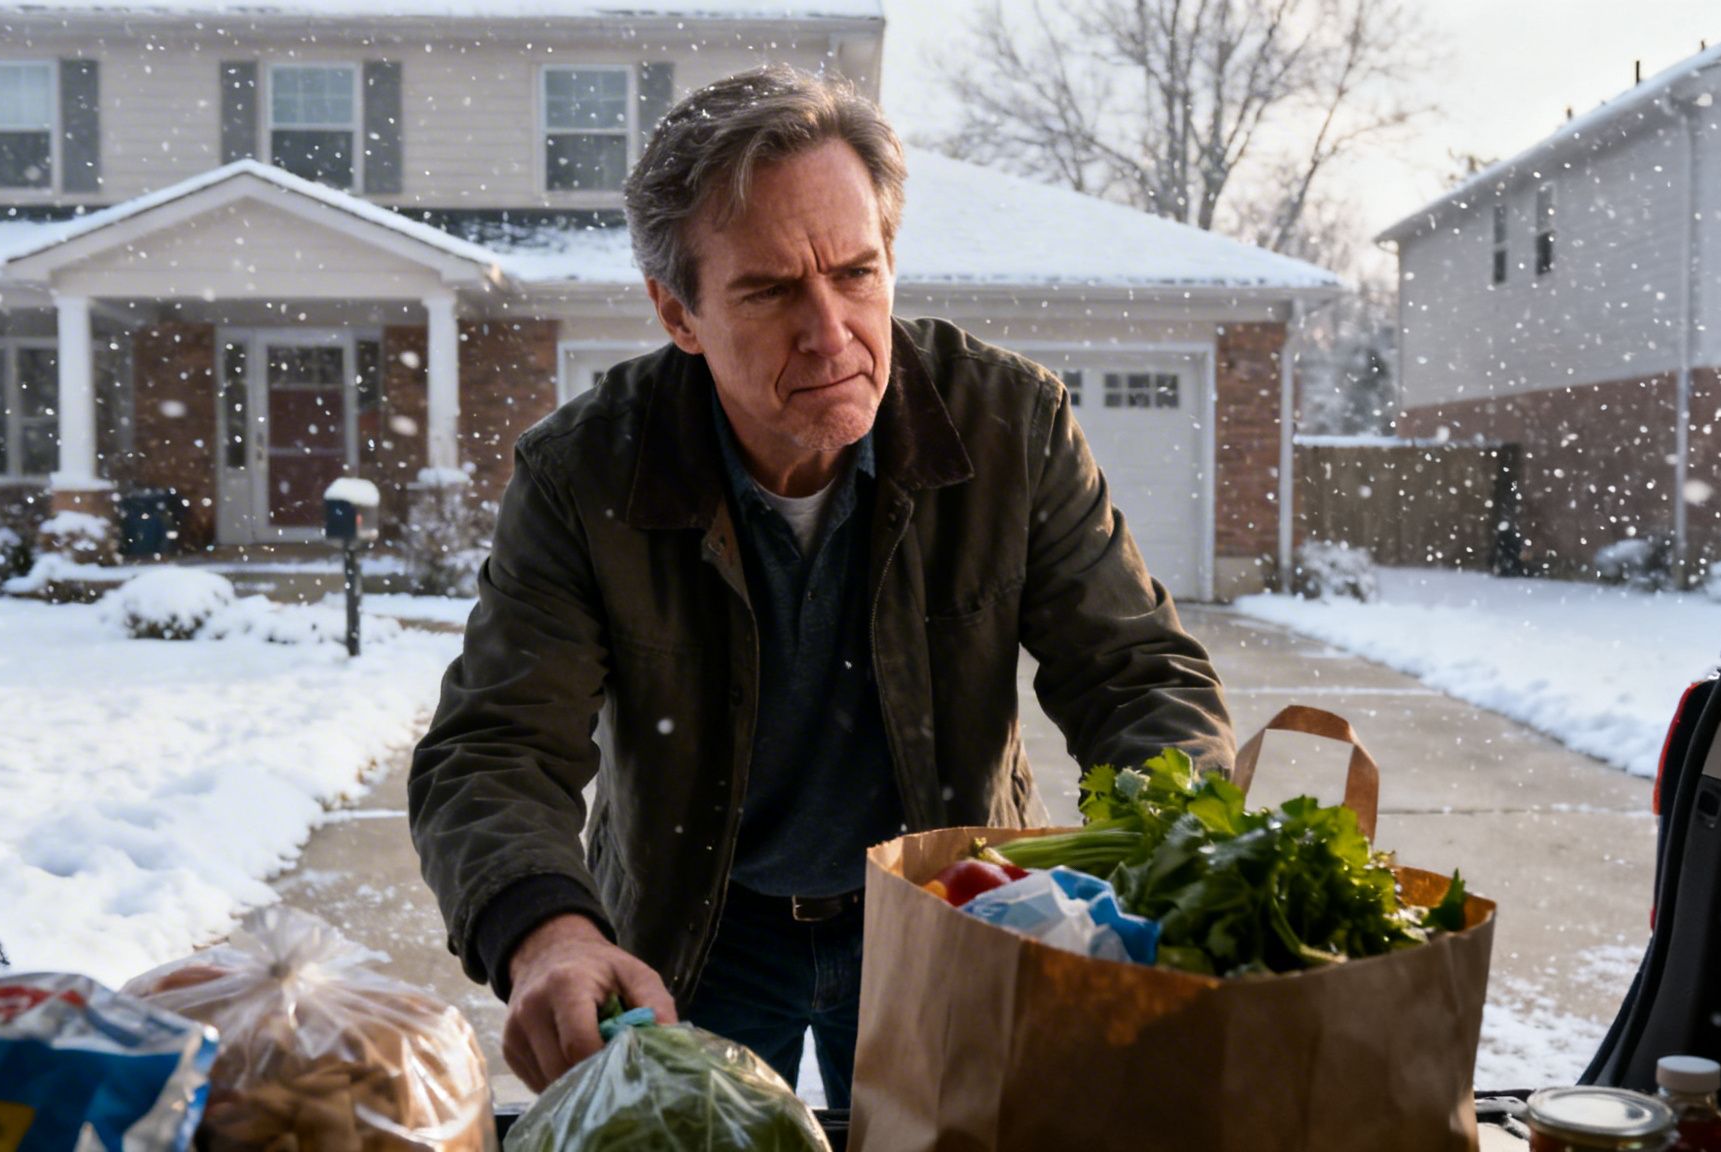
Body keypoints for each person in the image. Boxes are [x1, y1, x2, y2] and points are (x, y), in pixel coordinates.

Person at [407, 64, 1236, 1107]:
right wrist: (546, 934)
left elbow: (1134, 672)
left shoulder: (1008, 427)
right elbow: (493, 745)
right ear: (678, 313)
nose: (829, 329)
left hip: (950, 913)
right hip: (691, 933)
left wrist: (1181, 856)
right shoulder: (585, 473)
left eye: (856, 272)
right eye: (766, 290)